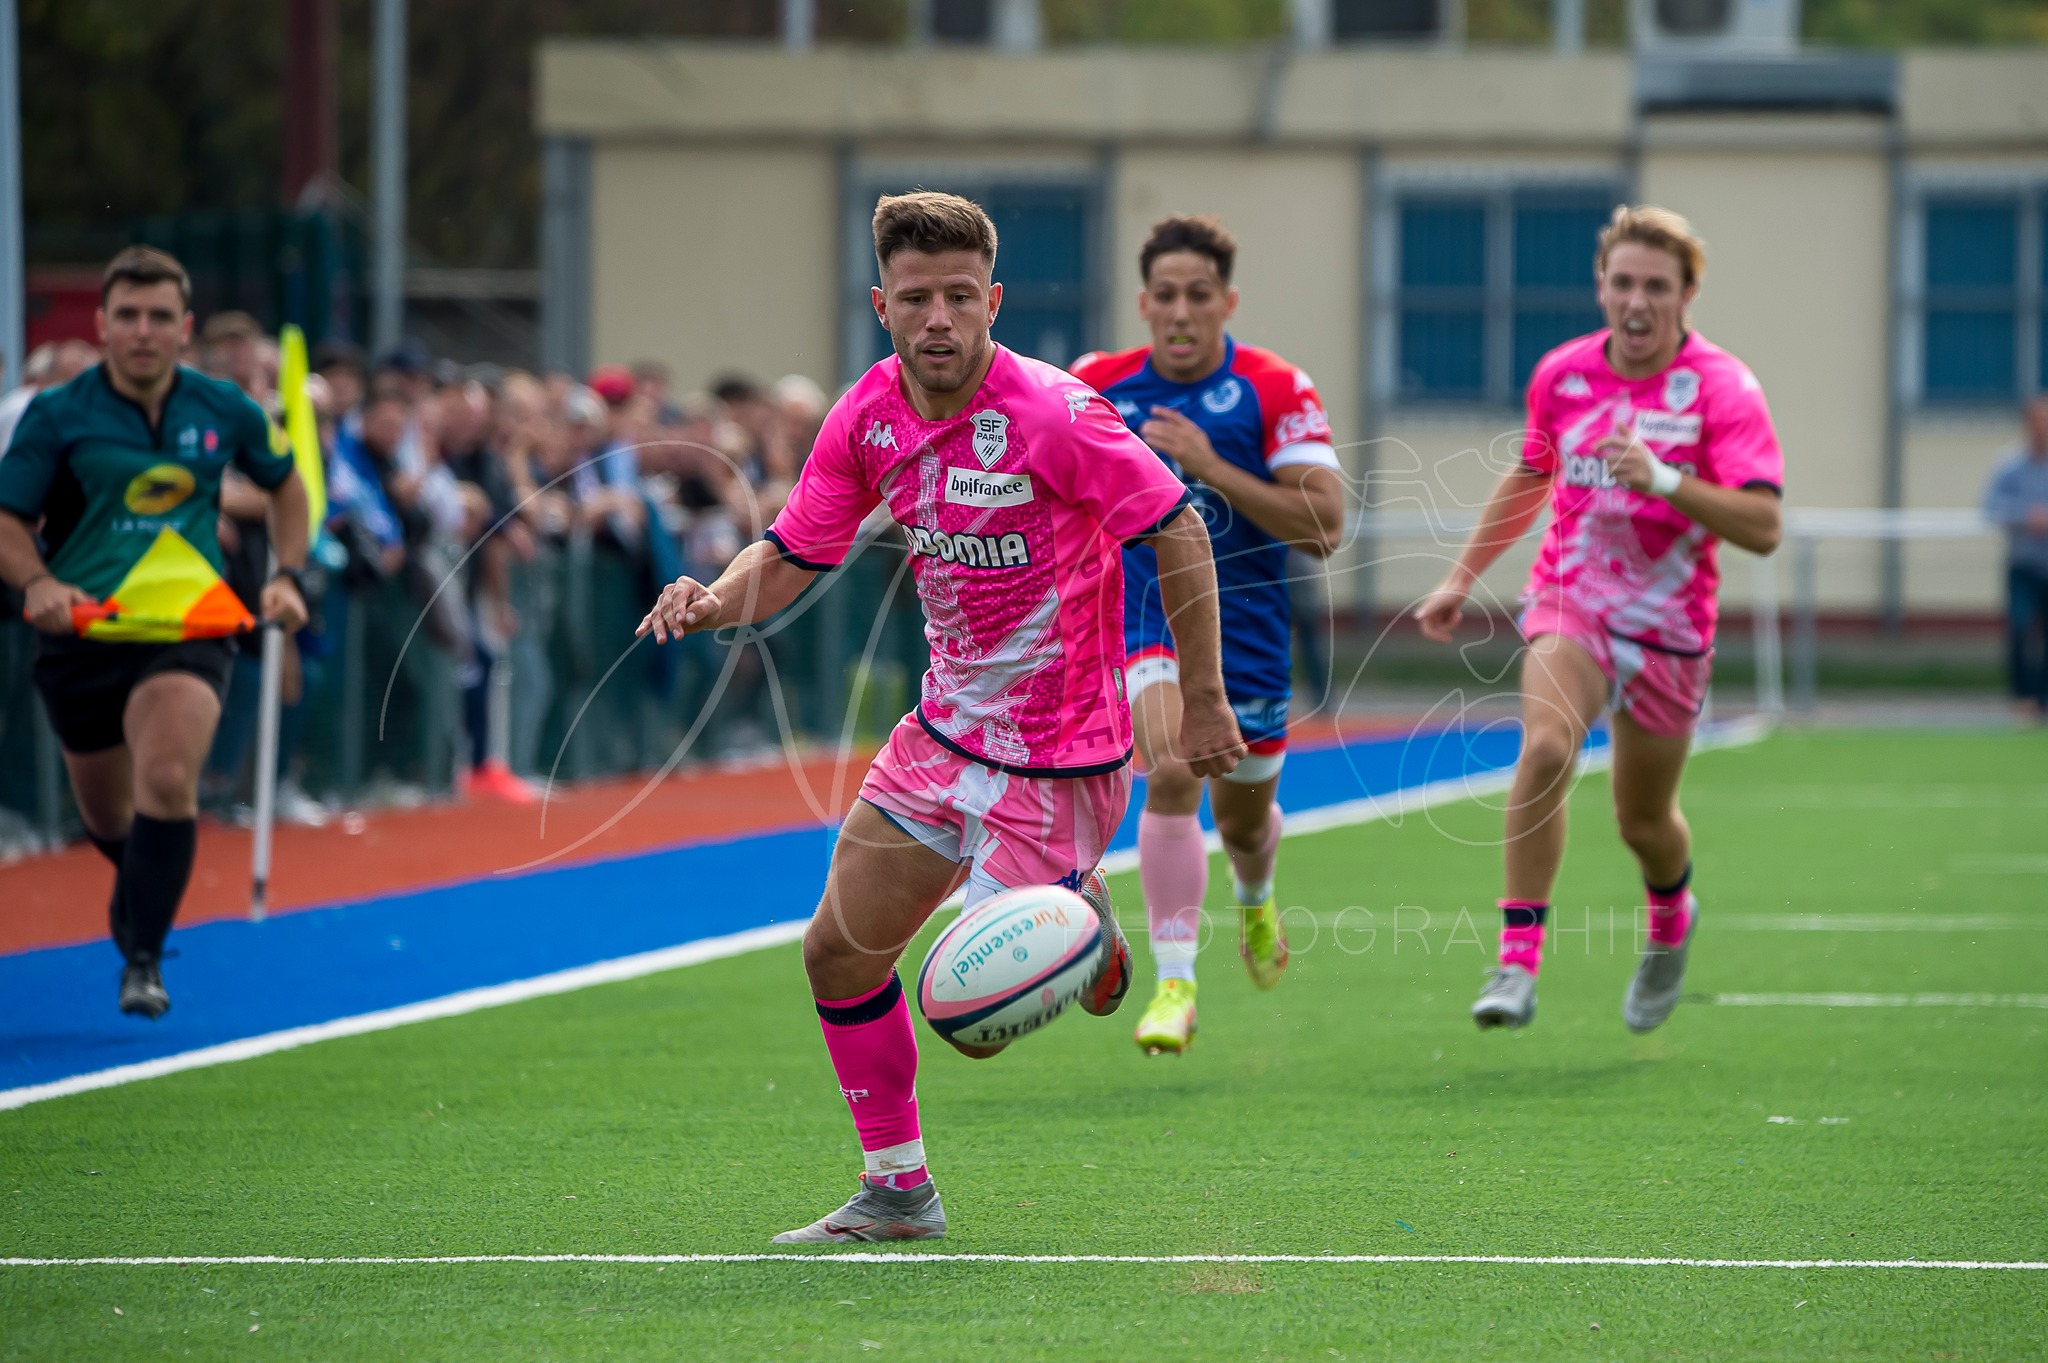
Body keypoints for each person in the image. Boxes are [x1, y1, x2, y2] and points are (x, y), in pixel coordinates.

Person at [639, 191, 1242, 1242]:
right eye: (916, 298)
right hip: (941, 737)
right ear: (881, 304)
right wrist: (711, 599)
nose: (938, 320)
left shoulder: (1054, 414)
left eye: (959, 297)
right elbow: (789, 556)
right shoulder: (866, 417)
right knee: (836, 952)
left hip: (1058, 760)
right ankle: (898, 1191)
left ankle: (1088, 927)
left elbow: (1176, 529)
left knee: (968, 1022)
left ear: (992, 299)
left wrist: (1201, 700)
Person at [1414, 205, 1784, 1034]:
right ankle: (1516, 960)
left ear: (1688, 294)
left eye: (1657, 285)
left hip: (1671, 629)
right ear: (1600, 287)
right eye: (1623, 282)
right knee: (1545, 747)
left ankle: (1670, 921)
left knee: (1643, 821)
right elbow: (1531, 476)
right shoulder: (1563, 374)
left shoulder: (1723, 389)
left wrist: (1665, 480)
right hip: (1572, 602)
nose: (1637, 301)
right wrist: (1459, 578)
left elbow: (1762, 526)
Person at [0, 246, 309, 1017]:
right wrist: (36, 580)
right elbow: (6, 519)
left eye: (160, 317)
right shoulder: (59, 413)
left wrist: (287, 573)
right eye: (128, 316)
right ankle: (136, 895)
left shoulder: (223, 406)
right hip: (82, 634)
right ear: (103, 325)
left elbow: (288, 486)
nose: (143, 331)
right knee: (110, 820)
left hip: (187, 623)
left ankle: (144, 956)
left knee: (169, 779)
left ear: (185, 326)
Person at [1071, 215, 1345, 1056]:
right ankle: (1176, 982)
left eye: (1199, 296)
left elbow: (1325, 526)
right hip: (1142, 615)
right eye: (1165, 296)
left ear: (1226, 302)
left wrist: (1210, 463)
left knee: (1247, 819)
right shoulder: (1094, 382)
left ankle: (1256, 894)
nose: (1181, 313)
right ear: (1144, 303)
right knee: (1177, 767)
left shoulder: (1274, 387)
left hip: (1251, 631)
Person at [1982, 394, 2048, 722]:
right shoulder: (2009, 466)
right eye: (2036, 421)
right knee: (2020, 630)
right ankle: (2022, 698)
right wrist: (2026, 516)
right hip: (2023, 564)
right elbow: (1991, 507)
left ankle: (2044, 700)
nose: (2042, 428)